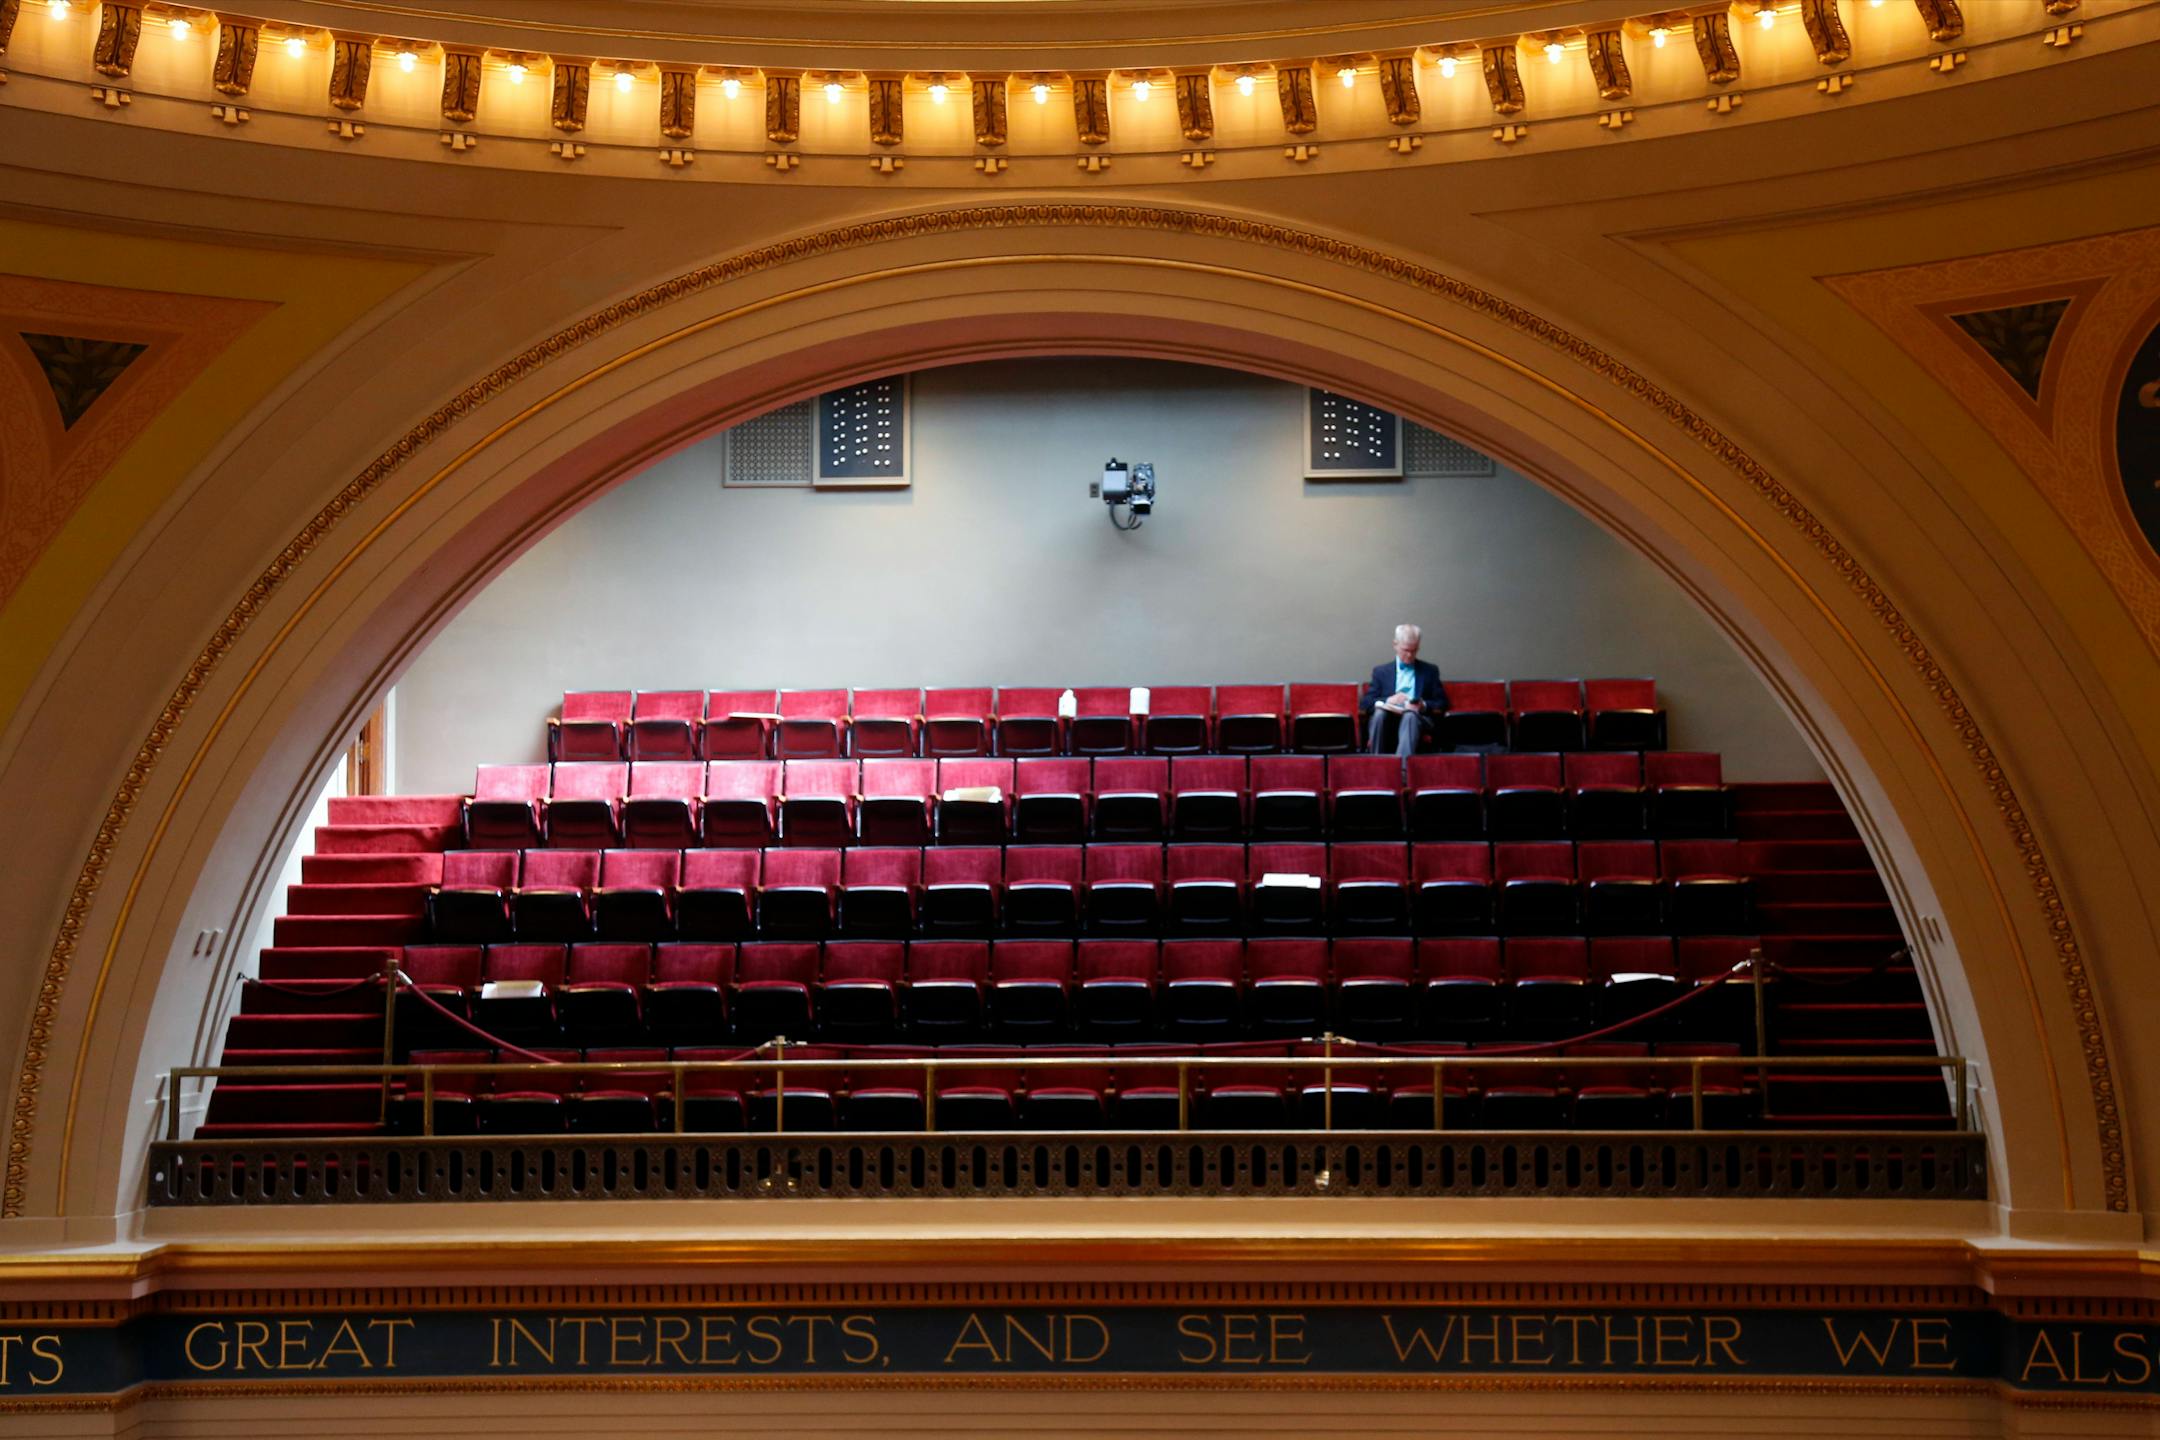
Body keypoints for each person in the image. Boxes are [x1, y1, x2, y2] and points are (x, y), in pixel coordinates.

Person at [1360, 623, 1448, 759]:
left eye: (1414, 650)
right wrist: (1388, 700)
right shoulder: (1381, 672)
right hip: (1389, 717)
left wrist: (1422, 705)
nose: (1409, 655)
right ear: (1395, 645)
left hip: (1417, 719)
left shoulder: (1430, 671)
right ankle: (1376, 765)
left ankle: (1403, 771)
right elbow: (1366, 703)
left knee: (1410, 716)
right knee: (1379, 715)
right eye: (1405, 650)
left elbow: (1441, 702)